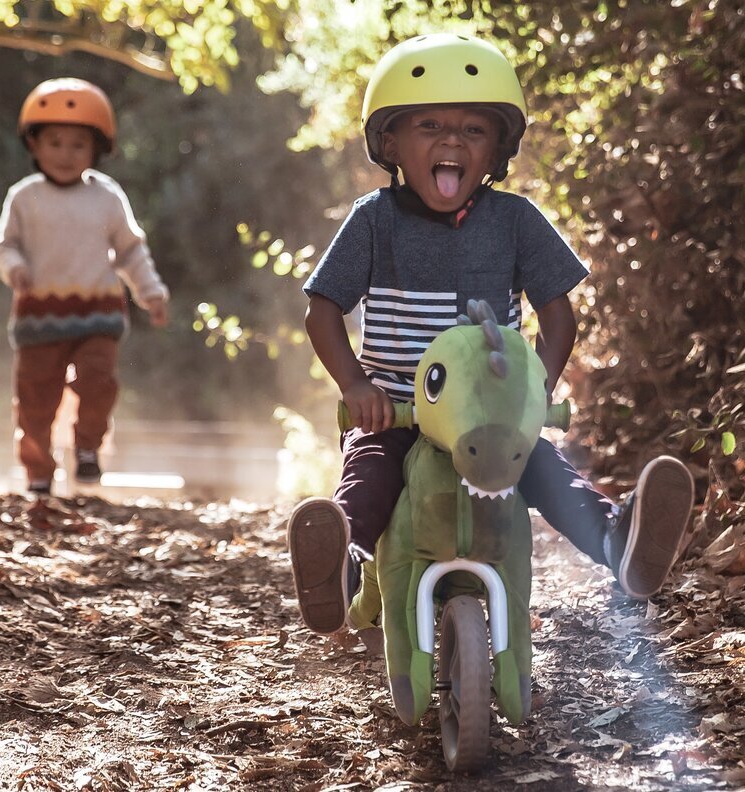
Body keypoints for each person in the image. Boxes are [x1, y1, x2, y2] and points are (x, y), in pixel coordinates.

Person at [287, 34, 694, 635]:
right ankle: (339, 570)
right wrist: (356, 385)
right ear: (390, 141)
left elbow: (559, 317)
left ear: (498, 148)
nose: (452, 141)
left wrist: (533, 392)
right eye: (430, 126)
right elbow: (323, 310)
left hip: (489, 414)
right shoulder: (373, 221)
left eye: (473, 131)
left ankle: (617, 543)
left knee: (546, 469)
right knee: (369, 474)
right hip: (398, 407)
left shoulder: (516, 221)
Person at [0, 78, 169, 496]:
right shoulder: (23, 197)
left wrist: (151, 293)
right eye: (54, 142)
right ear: (33, 144)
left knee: (98, 380)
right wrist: (13, 266)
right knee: (35, 398)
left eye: (77, 144)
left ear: (97, 149)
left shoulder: (106, 197)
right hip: (38, 318)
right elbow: (5, 244)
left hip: (98, 313)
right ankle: (38, 471)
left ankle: (87, 448)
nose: (65, 154)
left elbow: (130, 251)